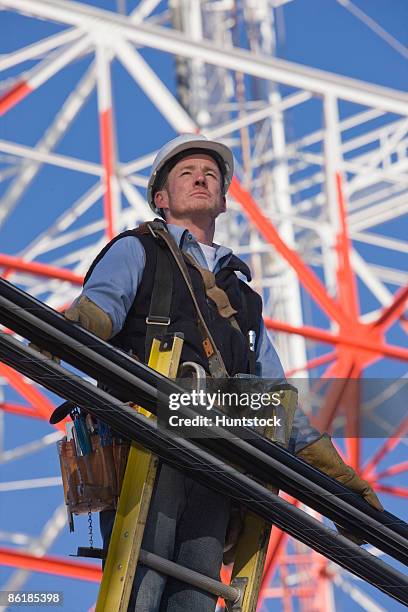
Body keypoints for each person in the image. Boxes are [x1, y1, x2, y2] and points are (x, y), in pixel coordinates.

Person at [65, 134, 383, 612]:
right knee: (142, 587)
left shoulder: (243, 298)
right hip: (144, 440)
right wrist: (59, 331)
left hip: (218, 459)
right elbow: (98, 312)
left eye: (210, 174)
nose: (200, 178)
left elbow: (274, 400)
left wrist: (339, 484)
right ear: (162, 199)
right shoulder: (138, 250)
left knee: (195, 597)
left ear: (223, 199)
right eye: (186, 173)